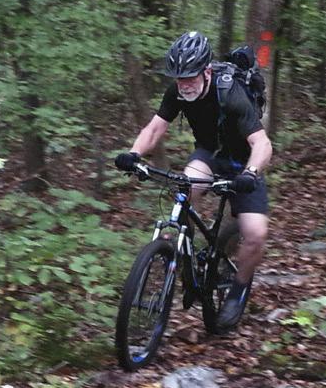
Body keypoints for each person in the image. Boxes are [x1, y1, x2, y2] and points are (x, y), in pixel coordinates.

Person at [115, 31, 272, 331]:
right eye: (178, 77)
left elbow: (263, 144)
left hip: (243, 162)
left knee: (255, 234)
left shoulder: (230, 93)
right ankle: (183, 248)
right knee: (189, 184)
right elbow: (155, 128)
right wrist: (133, 154)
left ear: (207, 71)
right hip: (210, 154)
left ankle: (238, 290)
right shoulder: (176, 92)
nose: (184, 83)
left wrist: (250, 174)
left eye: (190, 77)